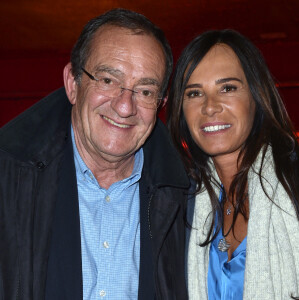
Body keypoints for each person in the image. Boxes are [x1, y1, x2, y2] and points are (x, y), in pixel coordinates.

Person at [0, 8, 190, 300]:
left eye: (145, 91)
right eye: (107, 80)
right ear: (73, 84)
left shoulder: (187, 197)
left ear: (161, 103)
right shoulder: (8, 180)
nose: (125, 106)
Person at [167, 29, 299, 299]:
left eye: (227, 88)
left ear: (256, 96)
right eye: (194, 93)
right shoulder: (182, 205)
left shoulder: (294, 185)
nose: (210, 106)